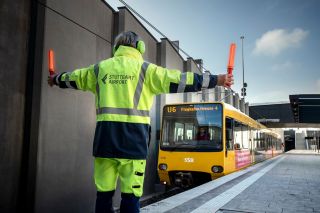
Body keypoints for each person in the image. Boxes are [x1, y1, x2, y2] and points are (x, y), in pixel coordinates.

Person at [48, 31, 234, 213]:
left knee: (103, 194)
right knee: (130, 196)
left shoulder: (99, 69)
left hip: (105, 142)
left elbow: (73, 78)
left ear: (117, 47)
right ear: (139, 47)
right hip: (133, 144)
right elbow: (182, 80)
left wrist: (55, 79)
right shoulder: (146, 70)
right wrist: (216, 80)